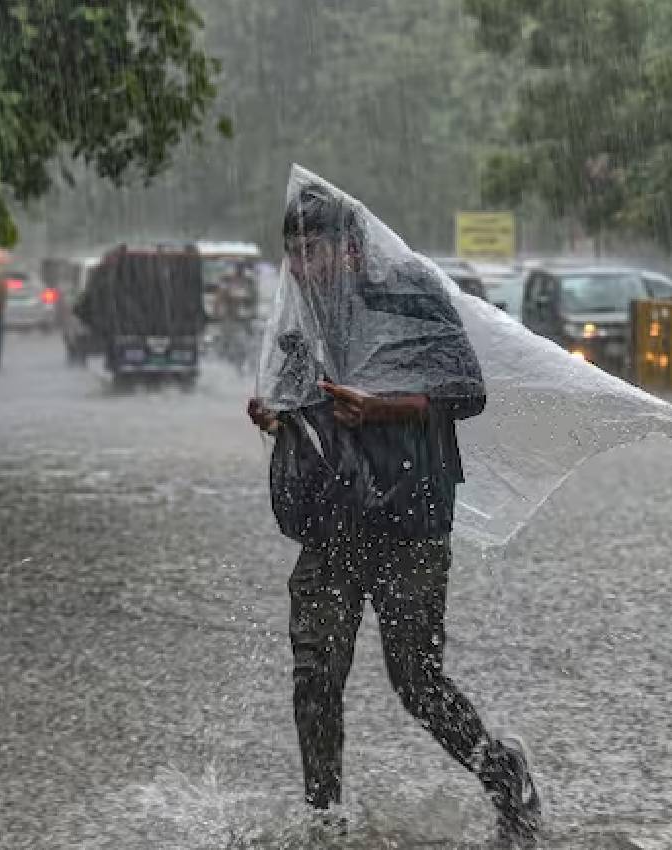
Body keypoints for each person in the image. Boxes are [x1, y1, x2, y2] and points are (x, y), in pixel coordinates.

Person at [248, 182, 542, 844]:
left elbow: (465, 392)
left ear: (350, 247)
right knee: (314, 672)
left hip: (410, 515)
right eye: (291, 252)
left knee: (415, 681)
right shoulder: (303, 315)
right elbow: (298, 402)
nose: (302, 265)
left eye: (313, 249)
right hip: (333, 517)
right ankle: (325, 819)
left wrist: (379, 408)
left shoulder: (410, 293)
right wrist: (275, 417)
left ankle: (505, 778)